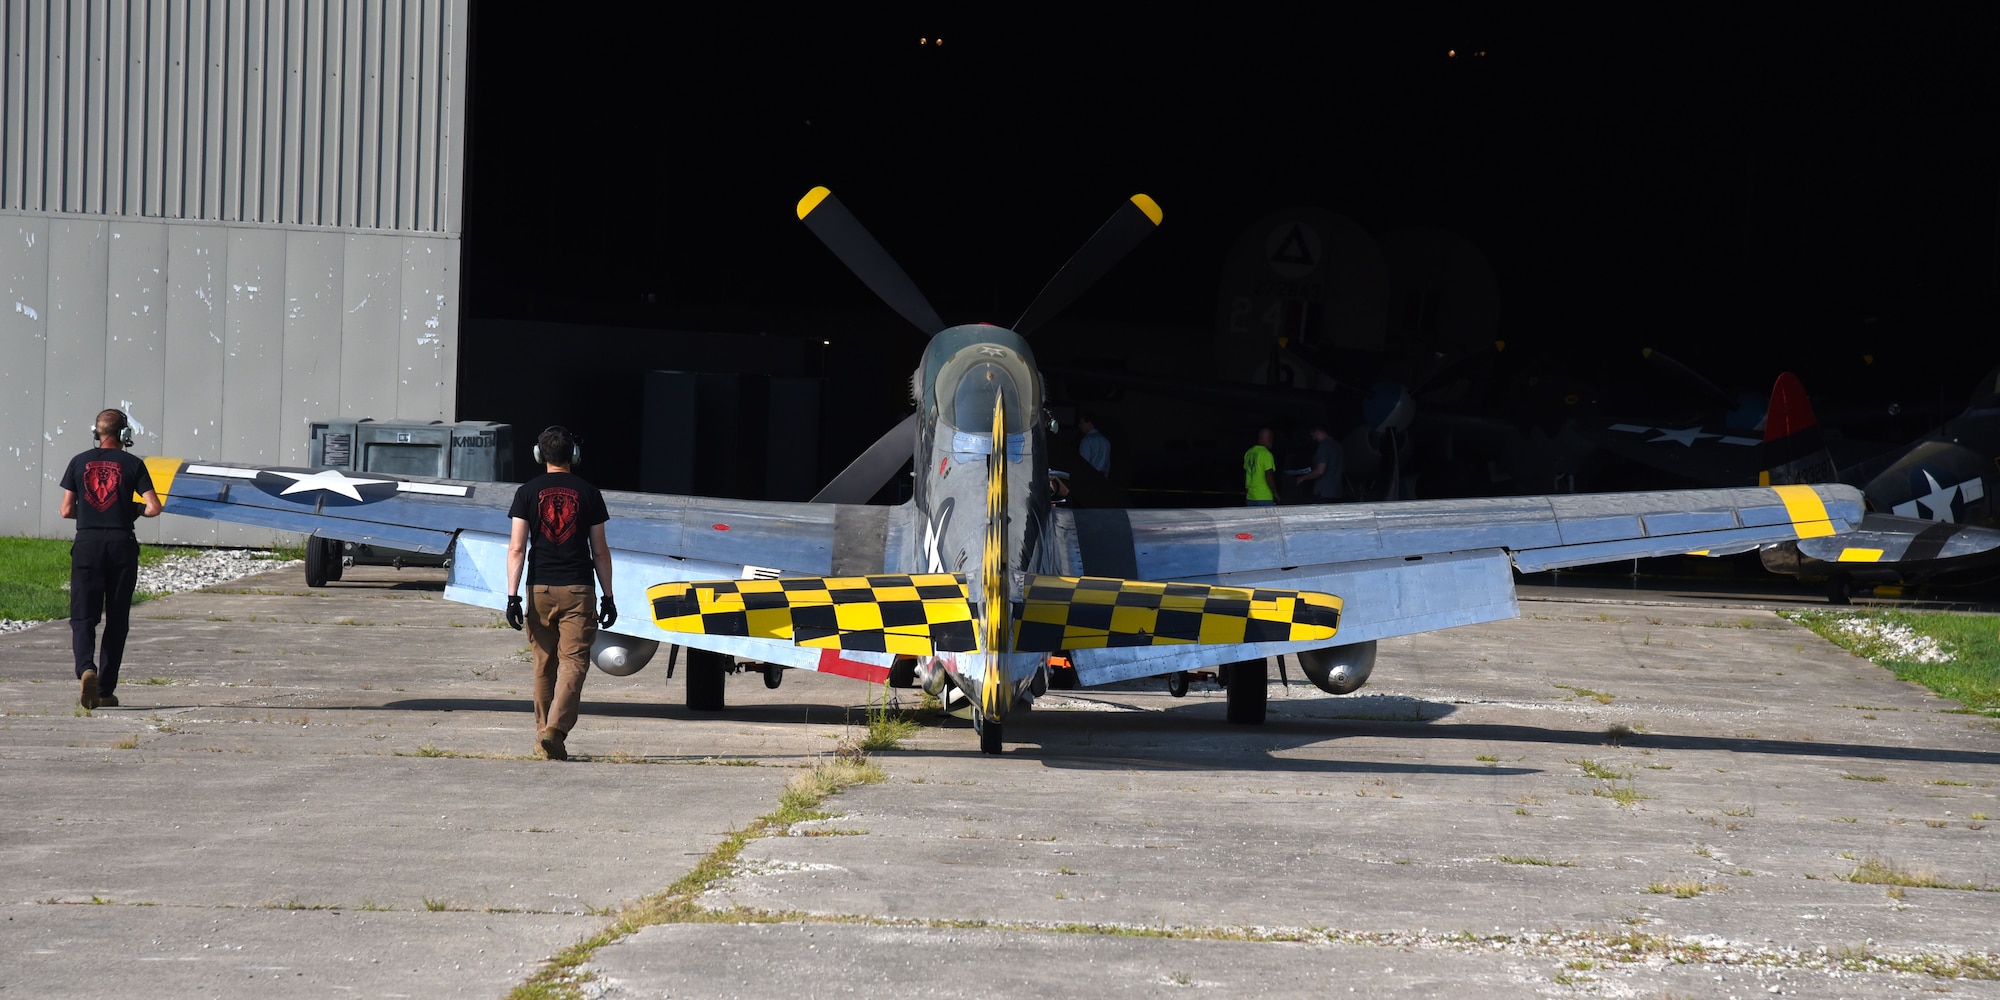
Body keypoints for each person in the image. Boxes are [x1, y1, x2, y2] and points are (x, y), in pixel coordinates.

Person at [505, 426, 614, 761]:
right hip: (578, 589)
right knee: (574, 663)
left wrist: (512, 596)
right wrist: (608, 595)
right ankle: (556, 730)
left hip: (539, 589)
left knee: (543, 663)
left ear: (540, 456)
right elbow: (599, 552)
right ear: (574, 456)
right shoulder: (589, 493)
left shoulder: (526, 492)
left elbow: (517, 548)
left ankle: (543, 735)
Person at [60, 409, 163, 710]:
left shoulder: (78, 462)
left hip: (87, 544)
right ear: (124, 435)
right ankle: (104, 690)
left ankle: (85, 670)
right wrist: (129, 510)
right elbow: (154, 507)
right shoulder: (134, 464)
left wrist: (92, 513)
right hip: (121, 545)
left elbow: (66, 510)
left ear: (97, 433)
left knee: (83, 617)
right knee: (117, 620)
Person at [1295, 424, 1346, 502]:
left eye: (1313, 435)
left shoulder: (1323, 447)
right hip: (1337, 491)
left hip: (1323, 492)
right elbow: (1342, 469)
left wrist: (1303, 478)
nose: (1314, 439)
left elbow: (1320, 471)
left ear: (1317, 432)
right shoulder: (1338, 446)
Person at [1243, 427, 1279, 506]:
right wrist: (1275, 492)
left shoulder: (1248, 453)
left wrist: (1247, 491)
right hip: (1264, 496)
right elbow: (1268, 476)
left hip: (1250, 496)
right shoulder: (1266, 454)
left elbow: (1247, 474)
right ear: (1269, 440)